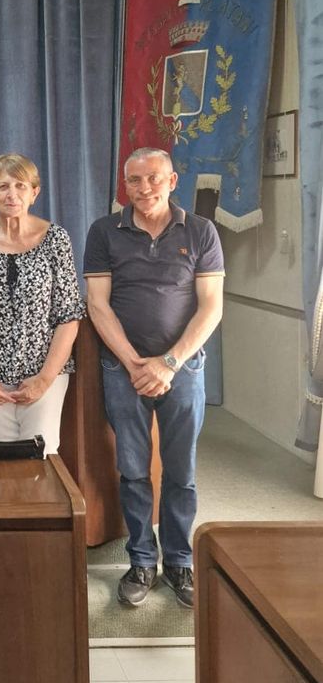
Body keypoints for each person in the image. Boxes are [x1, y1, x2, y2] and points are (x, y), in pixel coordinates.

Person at [83, 147, 224, 609]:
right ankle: (142, 560)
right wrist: (133, 363)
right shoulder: (104, 231)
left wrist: (168, 363)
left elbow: (211, 306)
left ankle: (180, 561)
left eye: (154, 178)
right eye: (134, 180)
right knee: (133, 470)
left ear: (172, 180)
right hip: (122, 369)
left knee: (181, 472)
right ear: (125, 185)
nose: (144, 189)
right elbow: (98, 304)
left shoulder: (200, 231)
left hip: (183, 369)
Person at [0, 154, 84, 454]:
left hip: (44, 372)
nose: (11, 194)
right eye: (3, 186)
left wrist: (44, 379)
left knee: (42, 452)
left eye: (20, 186)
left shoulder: (56, 240)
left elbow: (69, 316)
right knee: (1, 456)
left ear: (34, 193)